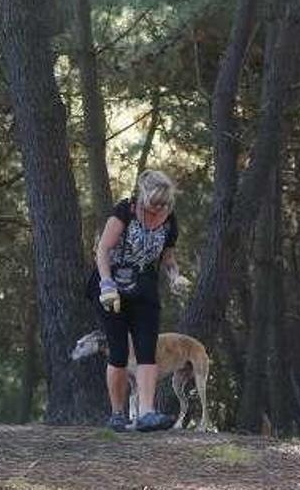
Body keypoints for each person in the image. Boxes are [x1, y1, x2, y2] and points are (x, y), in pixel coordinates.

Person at [89, 170, 192, 432]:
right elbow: (103, 249)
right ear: (142, 196)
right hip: (112, 284)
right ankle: (117, 414)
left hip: (144, 286)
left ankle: (147, 413)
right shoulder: (125, 210)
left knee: (147, 349)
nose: (157, 209)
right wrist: (106, 284)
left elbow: (167, 259)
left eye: (163, 204)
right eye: (153, 203)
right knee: (119, 351)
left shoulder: (170, 221)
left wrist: (174, 277)